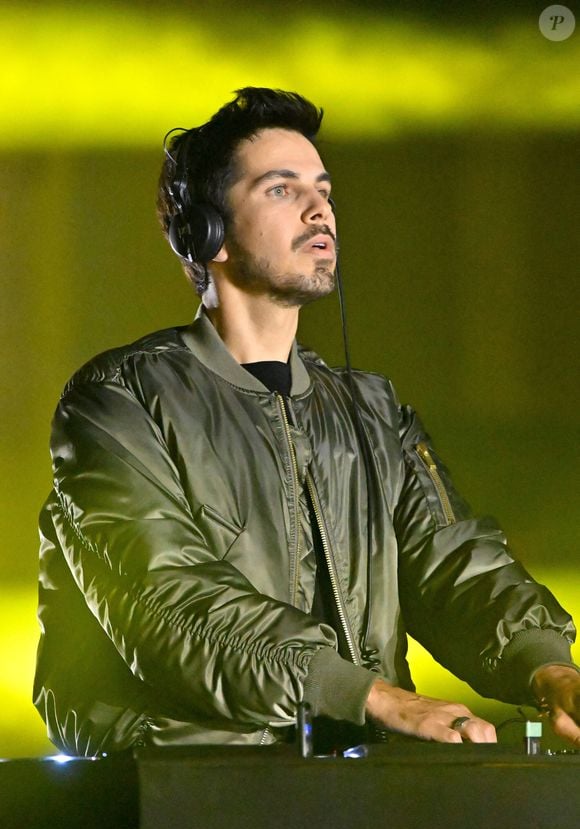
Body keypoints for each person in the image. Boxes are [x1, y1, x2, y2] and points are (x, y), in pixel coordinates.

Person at [34, 87, 579, 756]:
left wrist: (549, 667)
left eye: (322, 188)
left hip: (353, 792)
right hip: (187, 792)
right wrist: (372, 696)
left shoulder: (371, 413)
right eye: (281, 190)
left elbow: (454, 562)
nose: (321, 208)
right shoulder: (118, 403)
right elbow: (168, 602)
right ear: (203, 231)